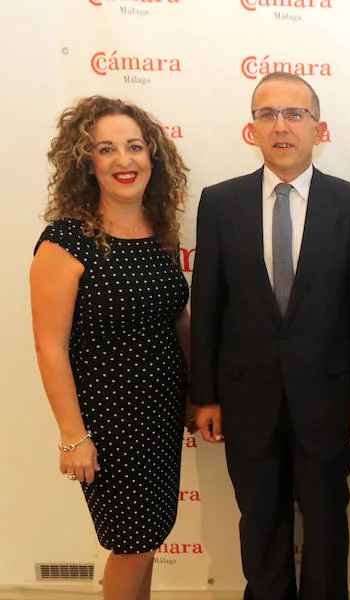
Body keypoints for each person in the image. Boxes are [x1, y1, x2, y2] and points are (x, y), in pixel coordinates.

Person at [190, 72, 350, 600]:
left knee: (325, 525)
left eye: (295, 114)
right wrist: (204, 394)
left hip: (328, 396)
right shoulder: (220, 202)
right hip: (246, 395)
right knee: (260, 524)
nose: (281, 126)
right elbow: (207, 303)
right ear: (252, 128)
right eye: (267, 114)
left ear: (318, 128)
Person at [30, 96, 192, 600]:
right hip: (109, 422)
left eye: (135, 147)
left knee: (148, 537)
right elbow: (48, 346)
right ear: (87, 162)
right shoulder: (65, 241)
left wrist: (195, 393)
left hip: (160, 417)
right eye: (106, 149)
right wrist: (72, 436)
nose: (124, 160)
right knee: (132, 542)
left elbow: (175, 322)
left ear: (153, 157)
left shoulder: (159, 234)